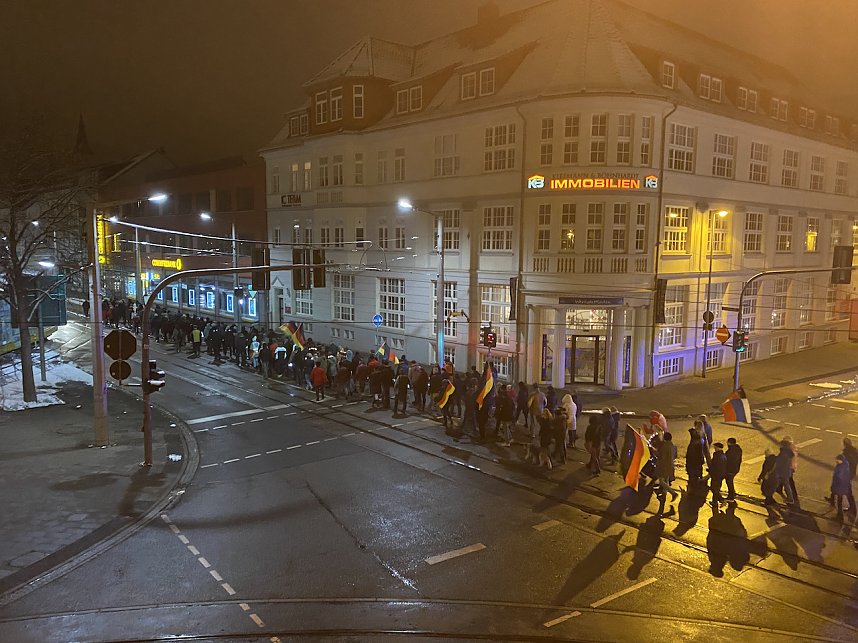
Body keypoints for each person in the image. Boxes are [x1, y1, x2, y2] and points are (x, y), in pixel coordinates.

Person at [655, 432, 678, 515]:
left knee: (661, 481)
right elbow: (675, 456)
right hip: (670, 466)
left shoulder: (664, 446)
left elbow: (662, 457)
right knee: (666, 480)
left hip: (664, 466)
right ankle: (664, 495)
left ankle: (673, 493)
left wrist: (656, 452)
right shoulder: (673, 446)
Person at [773, 438, 796, 505]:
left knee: (786, 484)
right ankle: (778, 489)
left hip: (783, 472)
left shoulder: (784, 453)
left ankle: (790, 498)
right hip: (786, 471)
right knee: (784, 483)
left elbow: (781, 462)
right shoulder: (788, 453)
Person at [709, 442, 728, 506]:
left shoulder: (717, 455)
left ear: (717, 448)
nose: (714, 448)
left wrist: (710, 471)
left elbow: (714, 466)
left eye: (715, 447)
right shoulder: (723, 455)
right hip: (721, 475)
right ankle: (714, 502)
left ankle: (722, 500)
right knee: (716, 489)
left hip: (716, 475)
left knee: (713, 489)